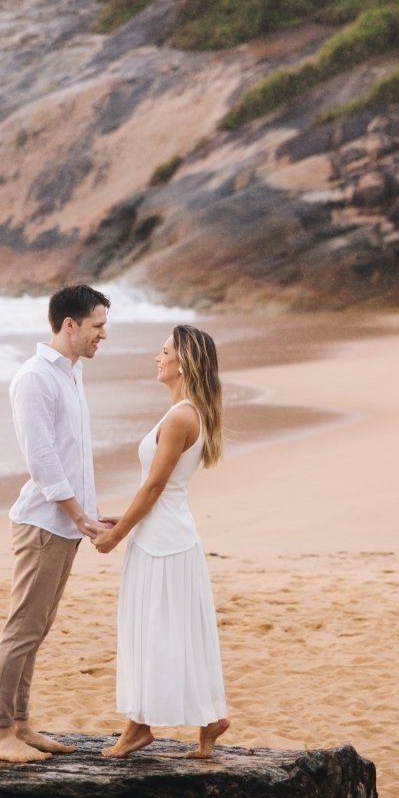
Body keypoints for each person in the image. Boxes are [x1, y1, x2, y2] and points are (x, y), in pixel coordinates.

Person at [0, 283, 111, 763]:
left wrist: (88, 514)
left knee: (38, 628)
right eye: (97, 326)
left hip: (66, 523)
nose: (103, 335)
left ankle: (20, 724)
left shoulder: (71, 374)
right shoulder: (35, 377)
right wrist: (79, 515)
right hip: (44, 523)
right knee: (21, 628)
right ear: (70, 325)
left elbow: (74, 456)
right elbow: (42, 460)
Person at [94, 324, 230, 759]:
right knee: (176, 630)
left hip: (163, 543)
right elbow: (158, 490)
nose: (158, 357)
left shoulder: (180, 417)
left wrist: (116, 535)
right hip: (166, 534)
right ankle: (210, 720)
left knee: (154, 631)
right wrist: (126, 519)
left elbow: (155, 487)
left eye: (165, 351)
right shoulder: (186, 414)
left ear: (183, 363)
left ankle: (139, 728)